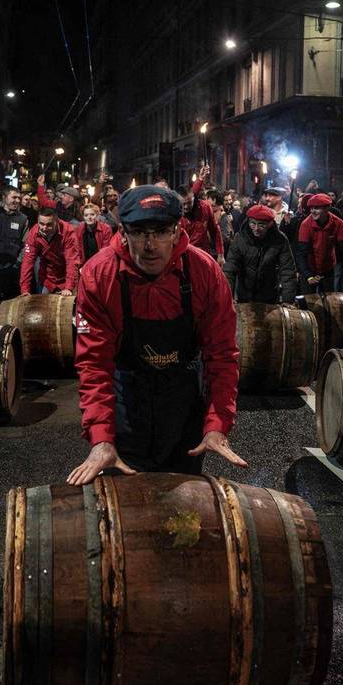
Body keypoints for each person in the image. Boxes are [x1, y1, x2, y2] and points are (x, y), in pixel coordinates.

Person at [66, 186, 246, 485]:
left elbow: (222, 355)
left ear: (176, 231)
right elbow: (94, 364)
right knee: (126, 500)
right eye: (139, 232)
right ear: (123, 232)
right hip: (127, 397)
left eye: (161, 231)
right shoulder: (99, 274)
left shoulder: (204, 272)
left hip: (182, 399)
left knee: (184, 500)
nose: (150, 245)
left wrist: (217, 424)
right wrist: (101, 439)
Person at [223, 203, 297, 305]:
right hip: (244, 294)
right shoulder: (240, 238)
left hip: (269, 296)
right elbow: (230, 269)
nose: (256, 228)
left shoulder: (280, 240)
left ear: (270, 224)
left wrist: (288, 300)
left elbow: (287, 270)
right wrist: (228, 297)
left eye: (261, 224)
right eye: (252, 223)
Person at [296, 193, 343, 295]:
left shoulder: (338, 223)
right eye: (311, 208)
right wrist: (308, 275)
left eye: (316, 208)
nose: (312, 211)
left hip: (328, 268)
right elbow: (301, 253)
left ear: (327, 208)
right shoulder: (306, 224)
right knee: (309, 300)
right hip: (309, 267)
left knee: (329, 299)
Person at [20, 207, 81, 295]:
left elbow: (72, 261)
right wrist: (25, 289)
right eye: (41, 224)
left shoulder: (68, 232)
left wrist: (69, 287)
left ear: (57, 221)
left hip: (66, 277)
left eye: (49, 225)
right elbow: (27, 261)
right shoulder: (34, 233)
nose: (44, 228)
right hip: (47, 278)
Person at [0, 186, 29, 301]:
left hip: (11, 269)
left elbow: (25, 244)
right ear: (4, 197)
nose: (17, 200)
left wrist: (18, 263)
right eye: (14, 197)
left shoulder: (23, 219)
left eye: (19, 198)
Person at [178, 171, 224, 262]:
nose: (186, 207)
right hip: (182, 257)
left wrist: (220, 254)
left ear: (194, 198)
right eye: (183, 204)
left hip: (203, 255)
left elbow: (215, 230)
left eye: (189, 203)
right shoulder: (174, 213)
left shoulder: (205, 207)